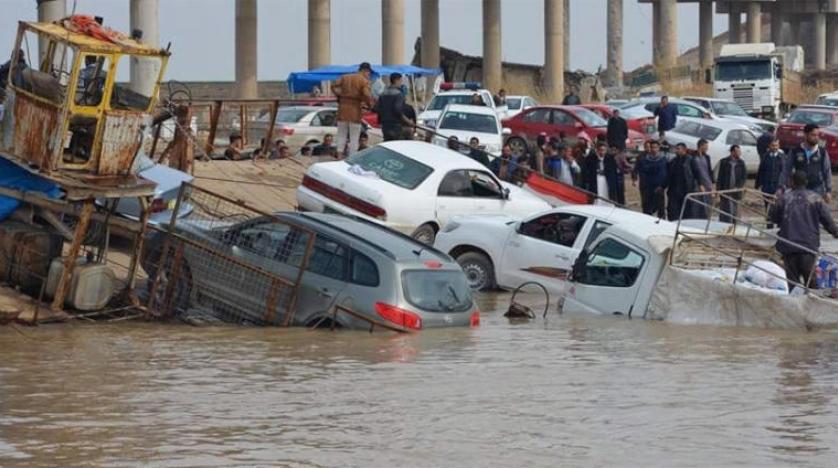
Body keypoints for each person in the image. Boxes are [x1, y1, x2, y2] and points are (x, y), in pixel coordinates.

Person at [769, 171, 838, 291]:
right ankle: (814, 306)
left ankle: (795, 307)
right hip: (808, 248)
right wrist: (836, 232)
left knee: (793, 285)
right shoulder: (816, 199)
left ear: (791, 182)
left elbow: (772, 217)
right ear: (806, 182)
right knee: (811, 284)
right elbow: (828, 222)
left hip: (789, 247)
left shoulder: (784, 198)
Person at [781, 124, 833, 202]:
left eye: (817, 135)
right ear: (805, 135)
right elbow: (786, 170)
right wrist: (781, 187)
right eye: (813, 135)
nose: (816, 137)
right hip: (798, 189)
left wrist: (828, 190)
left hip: (817, 189)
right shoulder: (795, 151)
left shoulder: (822, 152)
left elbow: (827, 171)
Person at [333, 62, 375, 158]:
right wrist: (369, 104)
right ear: (365, 71)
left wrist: (339, 95)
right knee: (354, 137)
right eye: (369, 73)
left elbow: (334, 85)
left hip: (342, 108)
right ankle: (351, 157)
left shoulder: (345, 77)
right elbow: (366, 94)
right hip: (355, 110)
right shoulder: (363, 81)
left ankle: (339, 156)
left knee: (341, 135)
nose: (369, 75)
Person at [374, 72, 413, 141]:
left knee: (388, 144)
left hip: (385, 125)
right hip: (395, 125)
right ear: (396, 80)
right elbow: (397, 110)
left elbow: (376, 108)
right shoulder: (399, 94)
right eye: (401, 80)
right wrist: (408, 121)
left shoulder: (383, 94)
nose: (401, 83)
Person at [755, 138, 787, 220]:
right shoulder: (765, 156)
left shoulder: (782, 157)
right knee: (768, 207)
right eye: (773, 146)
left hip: (778, 187)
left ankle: (778, 225)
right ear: (769, 146)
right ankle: (769, 225)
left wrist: (783, 185)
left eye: (776, 145)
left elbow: (784, 172)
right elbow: (761, 170)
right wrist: (758, 184)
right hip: (767, 186)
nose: (775, 147)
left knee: (778, 207)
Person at [635, 139, 668, 218]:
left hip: (659, 187)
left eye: (655, 147)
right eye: (652, 147)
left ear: (658, 148)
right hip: (647, 188)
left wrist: (663, 185)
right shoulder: (644, 160)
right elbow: (641, 172)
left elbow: (666, 174)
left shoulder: (663, 159)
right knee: (647, 208)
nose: (654, 150)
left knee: (660, 208)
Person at [717, 145, 747, 223]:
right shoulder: (724, 162)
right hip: (726, 191)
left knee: (735, 211)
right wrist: (719, 189)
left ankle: (734, 226)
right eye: (737, 151)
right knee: (726, 211)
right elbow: (720, 177)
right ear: (732, 152)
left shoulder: (741, 163)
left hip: (736, 191)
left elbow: (743, 177)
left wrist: (738, 187)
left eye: (739, 151)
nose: (739, 153)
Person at [666, 143, 695, 221]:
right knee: (673, 211)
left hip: (686, 189)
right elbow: (669, 175)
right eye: (676, 149)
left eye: (678, 149)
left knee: (686, 211)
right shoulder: (673, 161)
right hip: (674, 190)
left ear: (684, 150)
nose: (676, 151)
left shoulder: (690, 160)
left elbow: (696, 174)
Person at [687, 138, 714, 219]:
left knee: (707, 205)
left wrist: (712, 184)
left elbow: (709, 171)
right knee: (696, 205)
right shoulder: (692, 157)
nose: (707, 148)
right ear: (701, 146)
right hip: (697, 184)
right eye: (705, 146)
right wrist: (700, 183)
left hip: (707, 183)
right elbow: (693, 172)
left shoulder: (707, 157)